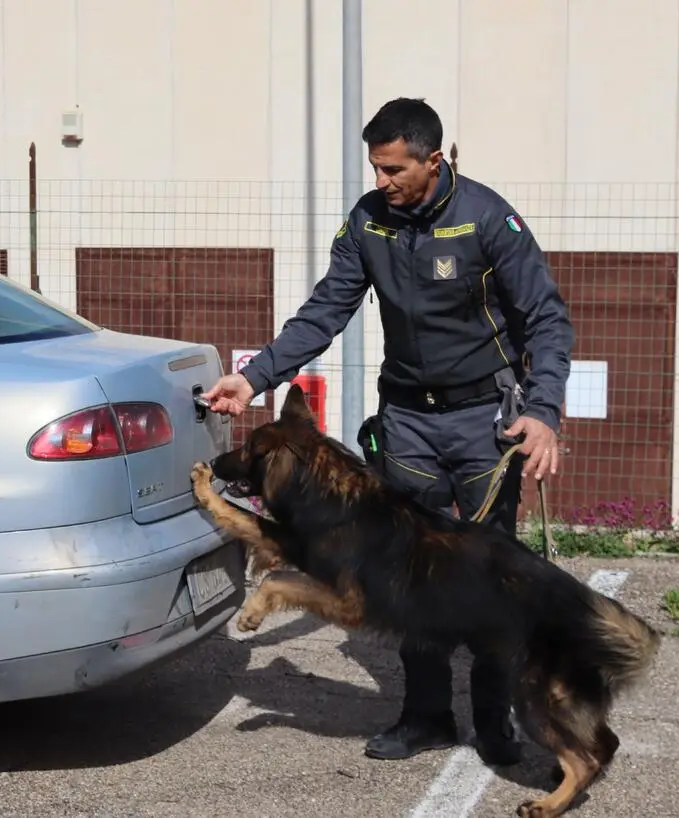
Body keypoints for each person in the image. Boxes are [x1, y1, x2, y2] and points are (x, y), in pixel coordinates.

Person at [201, 97, 574, 767]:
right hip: (406, 420)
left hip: (483, 424)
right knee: (409, 571)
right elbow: (325, 311)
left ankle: (494, 722)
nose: (382, 182)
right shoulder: (369, 223)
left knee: (489, 572)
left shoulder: (489, 220)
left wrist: (543, 412)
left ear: (434, 159)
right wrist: (255, 379)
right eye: (375, 168)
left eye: (394, 169)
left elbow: (546, 318)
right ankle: (426, 715)